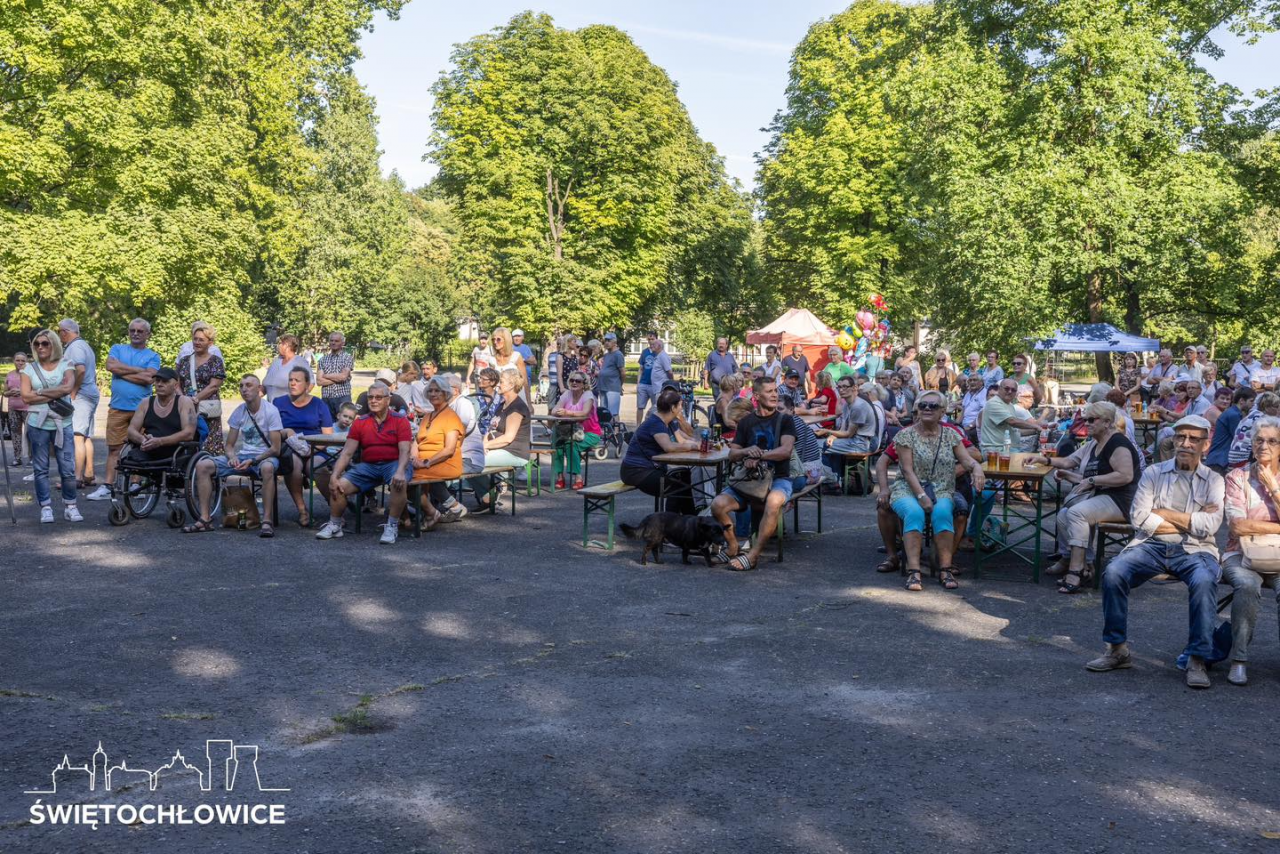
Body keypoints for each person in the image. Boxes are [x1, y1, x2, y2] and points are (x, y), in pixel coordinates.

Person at [1086, 415, 1224, 689]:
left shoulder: (1214, 480)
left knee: (1205, 580)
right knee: (1114, 572)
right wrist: (1189, 520)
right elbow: (1138, 518)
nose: (1185, 444)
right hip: (1151, 544)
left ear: (1205, 446)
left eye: (1193, 439)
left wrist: (1162, 513)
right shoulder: (1153, 472)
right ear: (1173, 439)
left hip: (1196, 549)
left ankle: (1197, 658)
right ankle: (1117, 649)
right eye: (1180, 437)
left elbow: (1212, 525)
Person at [1032, 401, 1140, 593]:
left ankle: (1076, 570)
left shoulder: (1118, 443)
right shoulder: (1094, 443)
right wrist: (1046, 460)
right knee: (1063, 516)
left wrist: (1091, 481)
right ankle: (1088, 564)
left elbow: (1125, 475)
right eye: (1084, 419)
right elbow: (1069, 461)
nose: (1086, 424)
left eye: (1091, 420)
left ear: (1107, 422)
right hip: (1101, 495)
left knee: (1076, 513)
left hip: (1122, 501)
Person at [889, 390, 987, 591]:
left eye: (933, 406)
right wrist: (922, 496)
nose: (927, 409)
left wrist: (977, 468)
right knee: (914, 513)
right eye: (923, 405)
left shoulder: (951, 434)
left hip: (941, 488)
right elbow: (907, 471)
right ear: (917, 408)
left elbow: (968, 460)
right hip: (907, 488)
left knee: (943, 513)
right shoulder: (905, 435)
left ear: (942, 411)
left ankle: (945, 568)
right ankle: (914, 572)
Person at [711, 376, 799, 572]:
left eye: (775, 390)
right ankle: (733, 546)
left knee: (774, 500)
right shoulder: (746, 422)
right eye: (769, 391)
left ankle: (753, 555)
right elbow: (733, 454)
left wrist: (760, 456)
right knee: (717, 504)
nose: (775, 394)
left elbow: (785, 451)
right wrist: (746, 451)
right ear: (757, 396)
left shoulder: (785, 420)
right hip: (750, 480)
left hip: (778, 478)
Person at [1220, 416, 1280, 686]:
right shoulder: (1237, 476)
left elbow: (1248, 524)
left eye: (1271, 441)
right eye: (1259, 440)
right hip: (1241, 555)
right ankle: (1239, 660)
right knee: (1245, 586)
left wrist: (1273, 488)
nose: (1264, 445)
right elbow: (1237, 526)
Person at [314, 381, 411, 544]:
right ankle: (335, 525)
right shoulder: (360, 422)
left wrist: (401, 470)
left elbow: (405, 450)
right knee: (340, 485)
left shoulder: (400, 420)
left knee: (398, 482)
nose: (373, 400)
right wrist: (335, 475)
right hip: (370, 466)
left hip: (393, 462)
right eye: (370, 397)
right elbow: (347, 452)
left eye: (378, 397)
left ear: (388, 400)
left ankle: (392, 526)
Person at [185, 375, 282, 535]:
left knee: (267, 468)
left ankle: (266, 521)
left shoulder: (270, 411)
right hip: (243, 457)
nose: (244, 389)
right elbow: (229, 446)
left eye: (249, 385)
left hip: (263, 457)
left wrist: (253, 460)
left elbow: (275, 448)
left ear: (259, 390)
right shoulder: (239, 411)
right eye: (241, 385)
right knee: (203, 465)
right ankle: (205, 519)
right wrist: (232, 457)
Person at [88, 319, 162, 501]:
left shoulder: (153, 355)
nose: (135, 333)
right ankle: (107, 486)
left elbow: (149, 379)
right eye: (132, 330)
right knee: (114, 449)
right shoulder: (117, 349)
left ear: (148, 334)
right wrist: (138, 371)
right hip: (117, 408)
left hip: (142, 410)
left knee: (141, 448)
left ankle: (136, 484)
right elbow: (110, 366)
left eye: (140, 331)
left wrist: (122, 371)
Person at [20, 330, 80, 523]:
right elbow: (26, 397)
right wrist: (54, 391)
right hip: (37, 423)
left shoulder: (66, 364)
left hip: (63, 423)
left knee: (68, 467)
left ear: (53, 344)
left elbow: (67, 388)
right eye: (37, 344)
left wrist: (38, 392)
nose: (40, 347)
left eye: (45, 343)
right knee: (40, 468)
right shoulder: (28, 369)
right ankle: (45, 507)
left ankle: (71, 505)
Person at [620, 386, 701, 515]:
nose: (681, 408)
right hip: (636, 472)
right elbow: (668, 446)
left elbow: (682, 440)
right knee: (678, 486)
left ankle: (690, 521)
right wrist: (692, 447)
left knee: (684, 475)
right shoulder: (655, 422)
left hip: (651, 469)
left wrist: (700, 444)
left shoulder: (669, 422)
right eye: (680, 405)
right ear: (673, 408)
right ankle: (669, 524)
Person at [272, 366, 334, 527]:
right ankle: (302, 510)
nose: (292, 383)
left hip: (316, 447)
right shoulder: (278, 403)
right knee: (293, 465)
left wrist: (311, 450)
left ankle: (335, 507)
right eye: (290, 380)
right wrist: (285, 432)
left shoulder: (319, 404)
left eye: (297, 380)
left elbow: (328, 436)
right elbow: (271, 432)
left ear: (307, 385)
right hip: (289, 448)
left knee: (317, 466)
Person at [468, 370, 532, 512]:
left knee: (471, 462)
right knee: (468, 459)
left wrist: (486, 445)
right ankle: (489, 496)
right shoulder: (502, 404)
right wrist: (483, 444)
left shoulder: (517, 406)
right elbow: (490, 430)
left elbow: (508, 438)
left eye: (502, 381)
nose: (498, 384)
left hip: (515, 452)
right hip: (499, 448)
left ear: (511, 385)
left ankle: (490, 496)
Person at [408, 377, 465, 531]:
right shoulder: (428, 416)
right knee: (400, 471)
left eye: (437, 390)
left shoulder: (451, 417)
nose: (433, 394)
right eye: (431, 391)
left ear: (446, 393)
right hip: (424, 462)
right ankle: (421, 512)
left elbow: (449, 450)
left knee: (409, 478)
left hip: (445, 462)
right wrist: (414, 457)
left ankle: (430, 513)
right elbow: (417, 441)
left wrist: (426, 462)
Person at [56, 319, 99, 489]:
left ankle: (77, 477)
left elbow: (80, 370)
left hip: (82, 396)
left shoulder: (75, 347)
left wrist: (73, 391)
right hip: (90, 393)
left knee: (77, 436)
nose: (59, 336)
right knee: (85, 436)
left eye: (60, 332)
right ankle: (88, 474)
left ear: (65, 331)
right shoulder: (84, 345)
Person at [123, 367, 198, 462]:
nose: (159, 384)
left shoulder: (184, 402)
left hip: (176, 452)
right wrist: (143, 440)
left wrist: (159, 441)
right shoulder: (145, 402)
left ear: (175, 385)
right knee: (128, 459)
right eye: (157, 381)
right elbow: (131, 430)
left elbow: (188, 434)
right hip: (149, 450)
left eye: (165, 381)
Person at [176, 322, 227, 455]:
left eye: (201, 340)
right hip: (187, 408)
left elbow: (214, 385)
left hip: (207, 409)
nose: (197, 342)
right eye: (195, 339)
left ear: (210, 343)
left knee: (209, 446)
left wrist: (195, 399)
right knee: (187, 442)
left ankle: (210, 471)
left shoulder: (215, 361)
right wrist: (183, 399)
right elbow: (176, 383)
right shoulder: (184, 361)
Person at [551, 370, 602, 490]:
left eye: (578, 381)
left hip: (590, 433)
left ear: (584, 384)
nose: (574, 383)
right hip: (569, 431)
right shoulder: (567, 394)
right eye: (572, 380)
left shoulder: (588, 396)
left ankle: (578, 477)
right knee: (557, 443)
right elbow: (554, 410)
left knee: (571, 445)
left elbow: (584, 413)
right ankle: (560, 477)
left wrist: (567, 413)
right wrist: (559, 412)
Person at [813, 376, 875, 467]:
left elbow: (848, 433)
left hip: (860, 443)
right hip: (851, 440)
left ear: (854, 388)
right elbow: (843, 429)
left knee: (815, 445)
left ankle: (828, 476)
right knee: (825, 443)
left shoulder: (858, 406)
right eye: (839, 387)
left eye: (845, 387)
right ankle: (835, 476)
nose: (841, 390)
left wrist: (827, 431)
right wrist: (833, 436)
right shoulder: (847, 404)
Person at [980, 379, 1051, 453]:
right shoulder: (994, 403)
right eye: (1006, 388)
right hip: (995, 451)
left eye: (1013, 390)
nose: (1010, 391)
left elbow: (1015, 431)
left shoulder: (1010, 405)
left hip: (1007, 449)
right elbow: (1012, 421)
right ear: (999, 389)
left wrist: (1038, 430)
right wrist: (1036, 426)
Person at [1207, 387, 1255, 473]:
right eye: (1251, 401)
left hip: (1218, 460)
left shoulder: (1232, 412)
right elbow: (1242, 440)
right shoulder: (1234, 415)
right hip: (1220, 462)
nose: (1253, 404)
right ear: (1242, 400)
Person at [1228, 392, 1280, 467]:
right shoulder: (1263, 420)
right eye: (1276, 406)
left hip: (1233, 456)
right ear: (1266, 407)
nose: (1278, 409)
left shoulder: (1252, 414)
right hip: (1244, 457)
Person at [316, 331, 354, 418]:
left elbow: (343, 377)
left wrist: (325, 376)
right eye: (331, 340)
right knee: (327, 425)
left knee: (344, 424)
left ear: (342, 343)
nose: (333, 343)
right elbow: (319, 381)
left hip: (343, 396)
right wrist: (339, 377)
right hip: (326, 398)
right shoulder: (323, 359)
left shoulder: (347, 357)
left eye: (336, 341)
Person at [262, 334, 309, 402]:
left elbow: (310, 384)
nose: (278, 346)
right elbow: (266, 384)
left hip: (289, 408)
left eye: (280, 343)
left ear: (286, 345)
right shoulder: (275, 362)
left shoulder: (300, 362)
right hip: (271, 409)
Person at [3, 352, 29, 466]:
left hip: (28, 408)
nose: (20, 363)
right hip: (13, 408)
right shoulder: (9, 374)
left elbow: (35, 391)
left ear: (26, 362)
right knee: (15, 433)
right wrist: (10, 392)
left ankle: (32, 458)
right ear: (14, 361)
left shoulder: (29, 374)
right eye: (18, 360)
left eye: (23, 361)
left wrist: (22, 392)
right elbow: (4, 392)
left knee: (30, 433)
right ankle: (17, 457)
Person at [635, 333, 667, 422]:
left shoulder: (659, 352)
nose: (650, 341)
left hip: (655, 385)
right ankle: (638, 426)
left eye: (652, 339)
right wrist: (638, 383)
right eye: (649, 339)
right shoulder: (645, 352)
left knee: (655, 407)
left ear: (657, 339)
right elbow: (641, 368)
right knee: (640, 407)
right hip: (644, 383)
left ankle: (653, 426)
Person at [597, 333, 625, 420]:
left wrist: (620, 385)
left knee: (613, 412)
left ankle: (616, 432)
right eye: (605, 341)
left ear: (614, 342)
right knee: (604, 412)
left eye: (609, 341)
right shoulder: (606, 355)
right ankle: (606, 432)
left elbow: (623, 372)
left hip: (612, 387)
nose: (606, 343)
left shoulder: (618, 354)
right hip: (603, 387)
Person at [958, 374, 987, 442]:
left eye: (975, 380)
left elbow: (983, 413)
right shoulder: (968, 393)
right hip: (964, 425)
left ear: (981, 382)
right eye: (970, 380)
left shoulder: (984, 394)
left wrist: (970, 426)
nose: (972, 382)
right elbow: (963, 411)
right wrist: (955, 424)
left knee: (961, 440)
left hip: (975, 427)